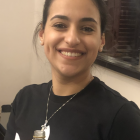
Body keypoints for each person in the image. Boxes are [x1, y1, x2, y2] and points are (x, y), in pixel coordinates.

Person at [4, 0, 140, 139]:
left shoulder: (122, 117)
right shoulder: (24, 99)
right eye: (60, 25)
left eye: (87, 28)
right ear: (42, 34)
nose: (72, 39)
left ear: (101, 41)